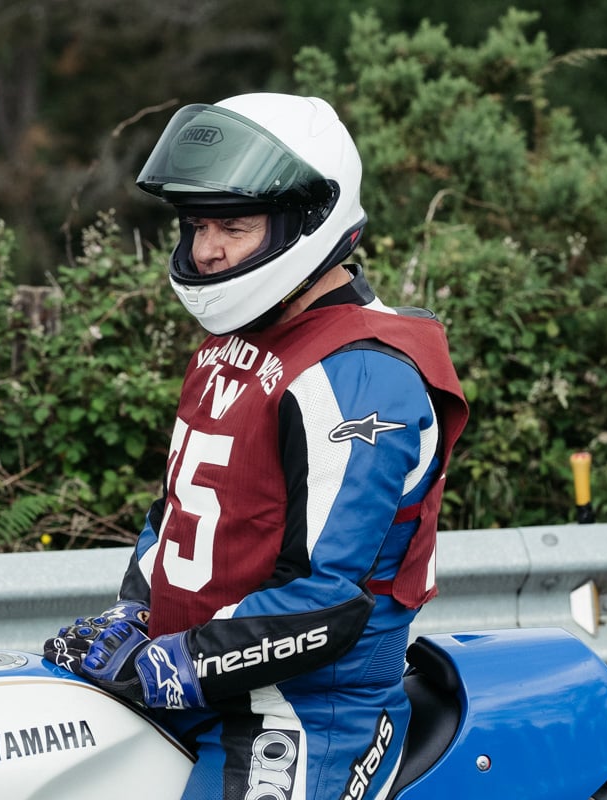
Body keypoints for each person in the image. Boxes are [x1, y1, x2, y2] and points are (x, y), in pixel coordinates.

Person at [44, 94, 469, 799]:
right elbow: (182, 511)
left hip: (305, 706)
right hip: (197, 677)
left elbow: (327, 600)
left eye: (233, 226)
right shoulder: (233, 346)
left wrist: (175, 664)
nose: (205, 249)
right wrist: (135, 616)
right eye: (196, 224)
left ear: (308, 220)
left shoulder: (359, 373)